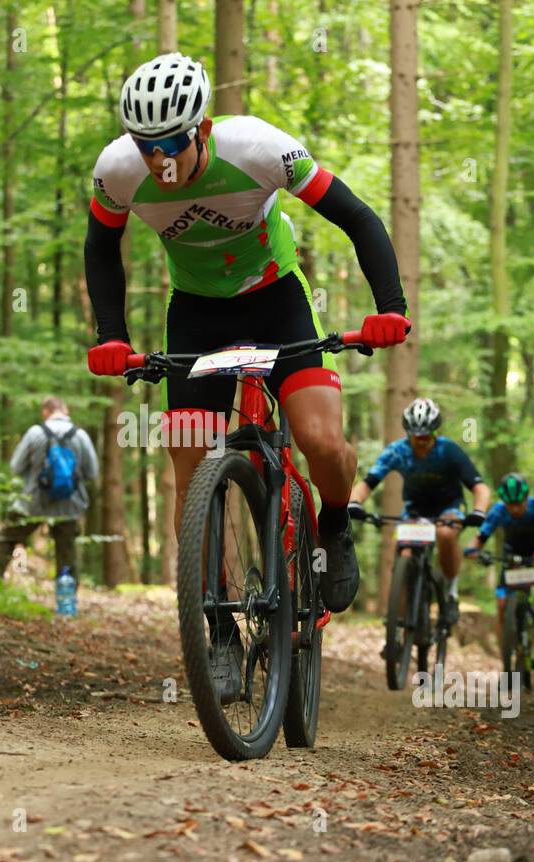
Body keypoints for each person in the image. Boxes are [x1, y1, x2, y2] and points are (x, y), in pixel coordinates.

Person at [82, 51, 411, 620]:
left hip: (275, 301)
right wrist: (112, 336)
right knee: (191, 479)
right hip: (197, 313)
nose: (158, 160)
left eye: (171, 144)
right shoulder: (117, 170)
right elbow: (100, 248)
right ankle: (218, 633)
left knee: (321, 441)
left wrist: (391, 308)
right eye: (145, 145)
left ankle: (333, 523)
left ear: (202, 129)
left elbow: (358, 217)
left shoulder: (257, 148)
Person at [346, 397, 491, 626]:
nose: (421, 442)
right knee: (401, 550)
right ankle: (397, 623)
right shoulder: (397, 451)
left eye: (426, 436)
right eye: (416, 436)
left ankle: (451, 592)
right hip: (415, 510)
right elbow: (368, 483)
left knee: (445, 534)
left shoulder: (449, 451)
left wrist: (479, 511)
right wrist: (354, 502)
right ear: (408, 433)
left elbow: (479, 487)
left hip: (449, 507)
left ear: (435, 433)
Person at [0, 397, 99, 585]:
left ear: (45, 412)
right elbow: (92, 472)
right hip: (69, 506)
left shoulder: (35, 433)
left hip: (32, 502)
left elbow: (16, 467)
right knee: (66, 552)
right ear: (66, 411)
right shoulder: (81, 436)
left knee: (7, 539)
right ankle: (66, 603)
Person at [465, 473, 534, 652]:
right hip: (514, 554)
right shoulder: (498, 511)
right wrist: (472, 550)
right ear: (504, 501)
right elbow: (480, 538)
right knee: (502, 606)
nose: (515, 509)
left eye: (519, 503)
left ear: (526, 497)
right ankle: (507, 661)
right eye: (511, 505)